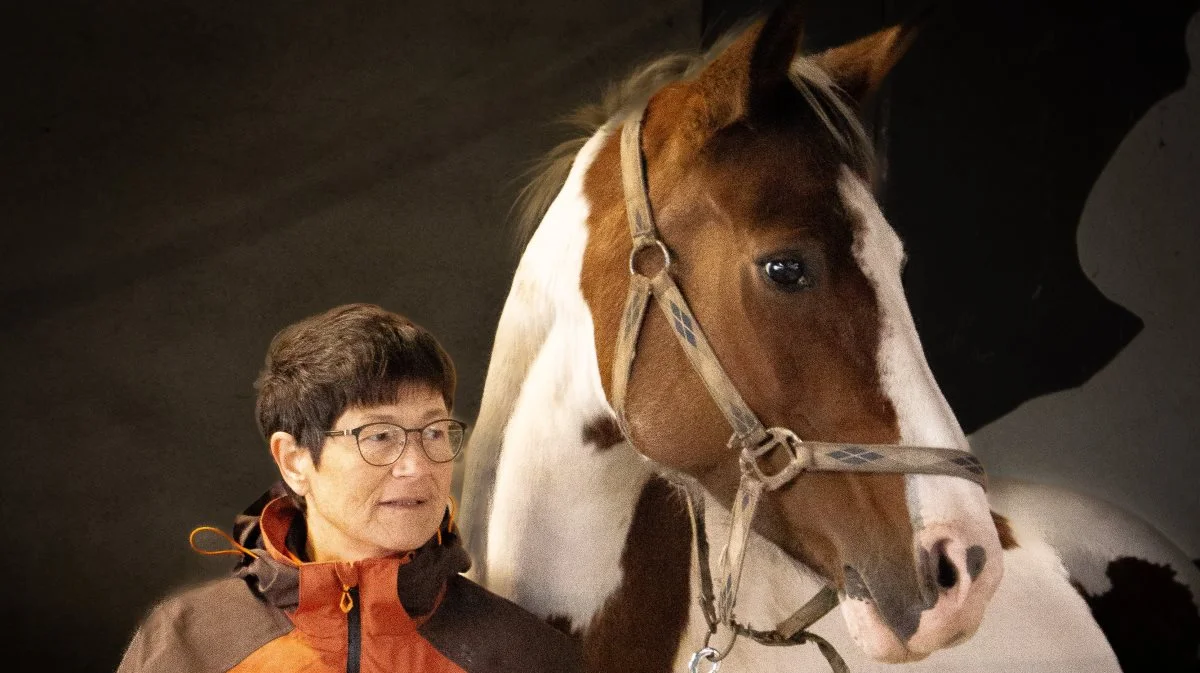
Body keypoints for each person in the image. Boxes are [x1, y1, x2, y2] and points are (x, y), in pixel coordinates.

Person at [118, 303, 582, 673]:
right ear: (295, 460)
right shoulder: (189, 642)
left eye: (435, 432)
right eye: (380, 436)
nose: (416, 466)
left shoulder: (523, 655)